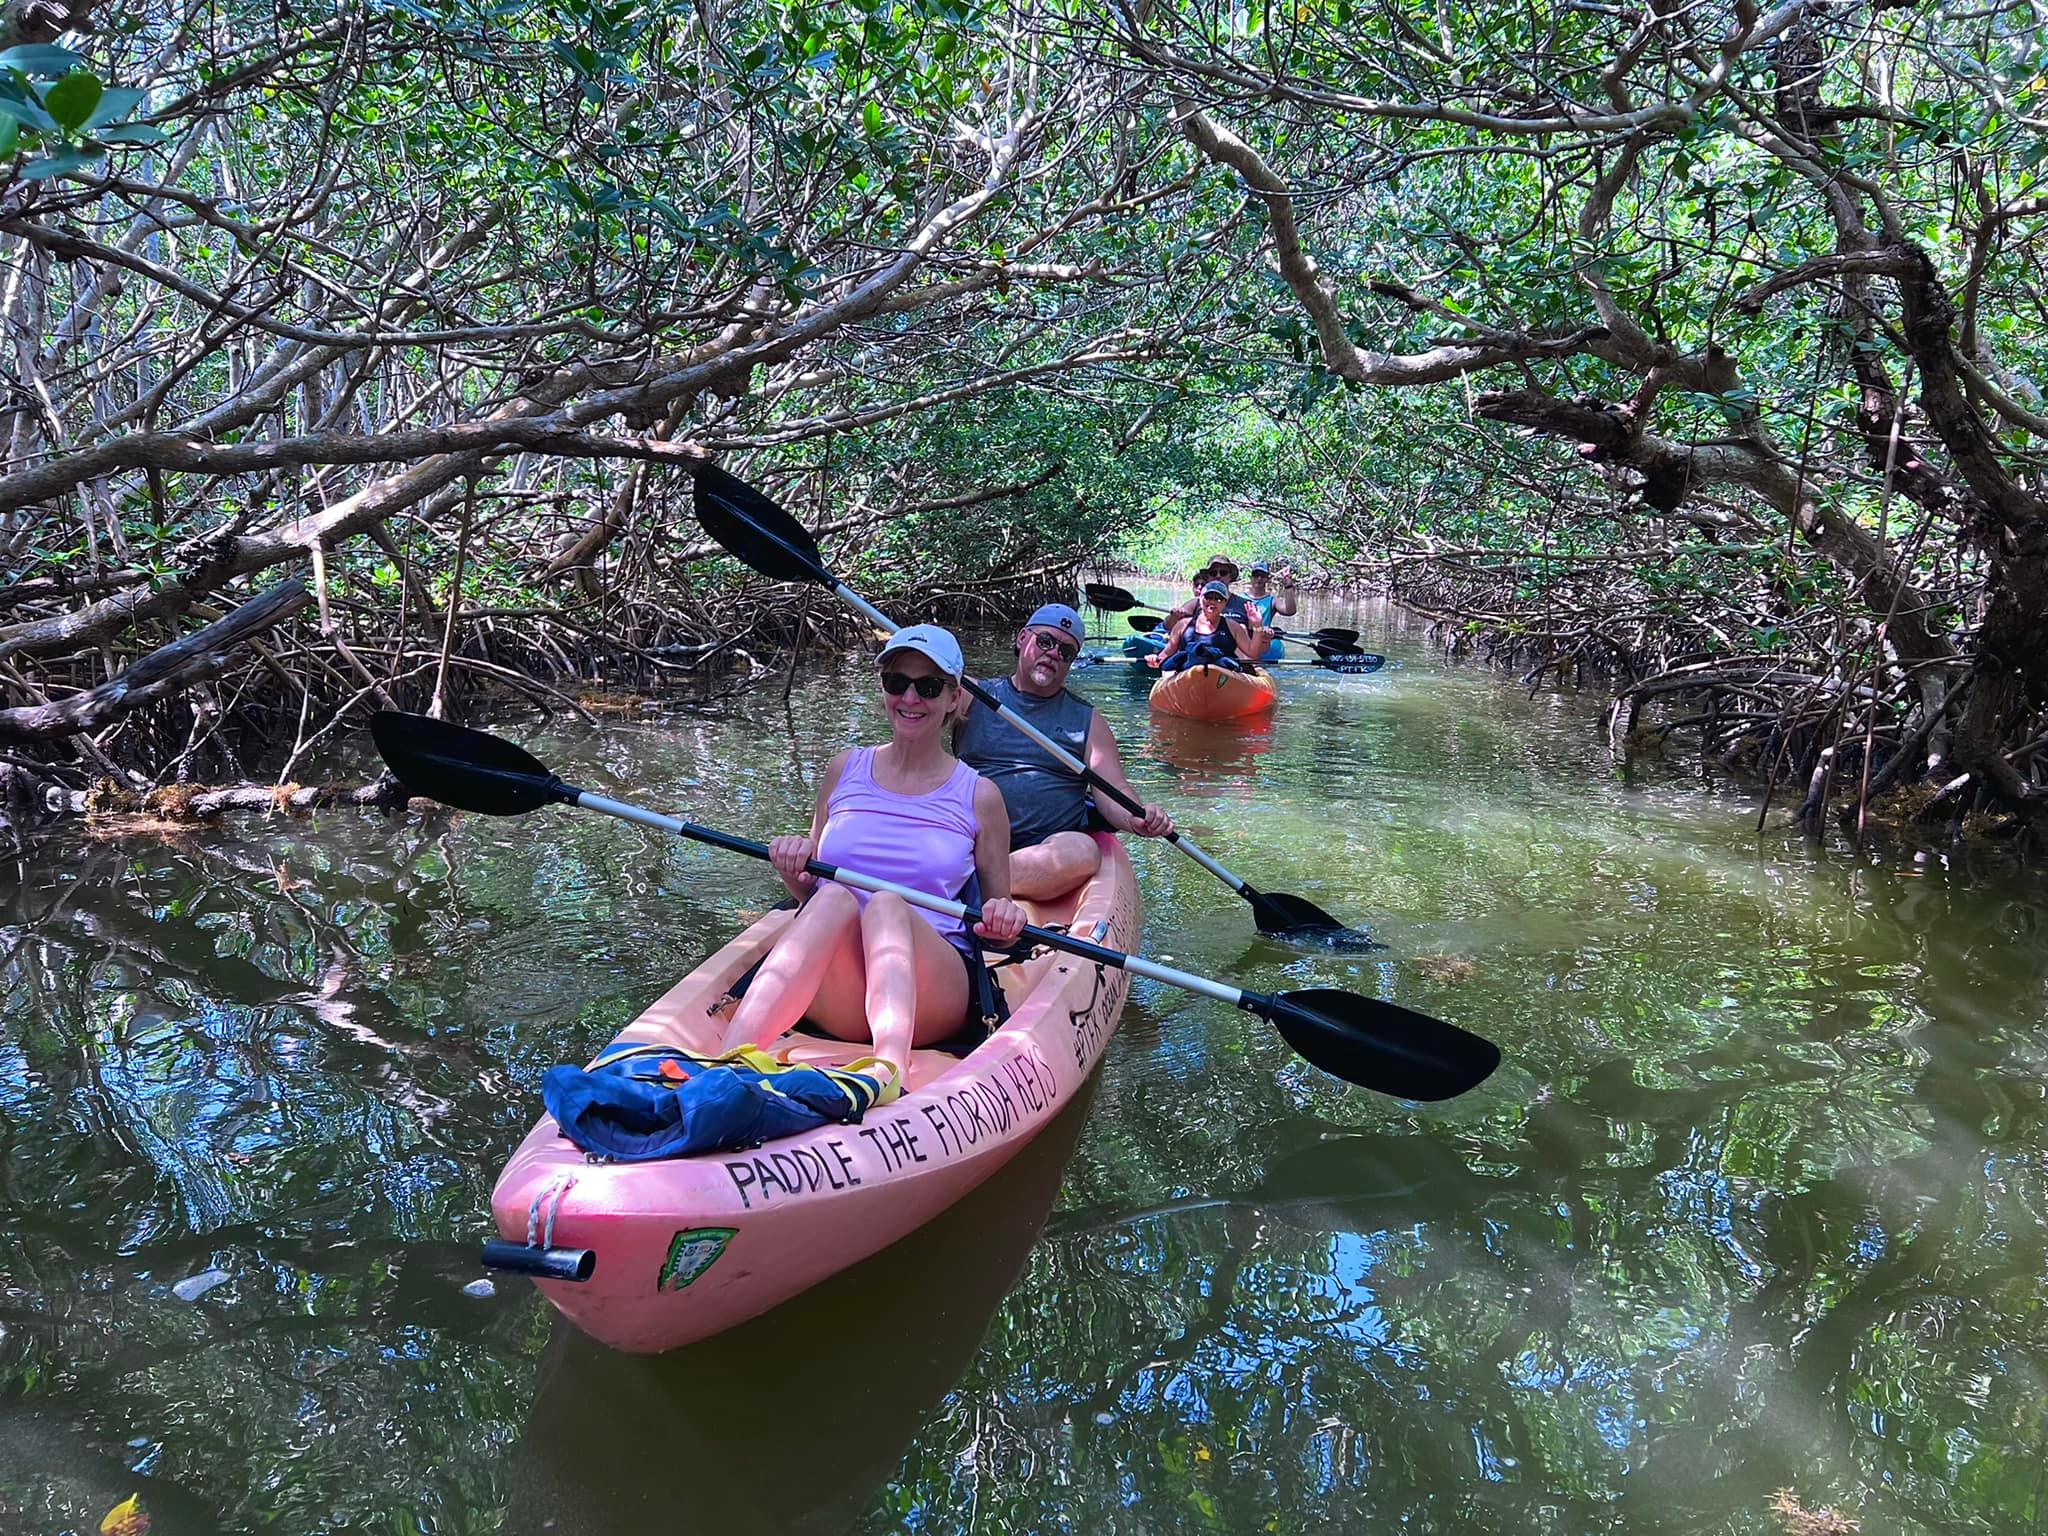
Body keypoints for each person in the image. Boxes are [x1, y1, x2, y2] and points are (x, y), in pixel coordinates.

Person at [718, 625, 1027, 1091]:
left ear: (953, 698)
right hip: (841, 989)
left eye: (928, 687)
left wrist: (1003, 920)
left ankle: (887, 1073)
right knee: (833, 898)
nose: (910, 698)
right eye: (896, 682)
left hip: (931, 994)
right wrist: (792, 867)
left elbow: (997, 930)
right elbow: (810, 887)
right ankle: (728, 1063)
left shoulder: (980, 796)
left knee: (885, 905)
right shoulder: (844, 768)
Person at [955, 603, 1174, 900]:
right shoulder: (971, 695)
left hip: (1044, 848)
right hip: (968, 838)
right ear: (1022, 639)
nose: (1053, 653)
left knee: (1083, 851)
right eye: (1045, 641)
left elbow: (1113, 789)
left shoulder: (1088, 721)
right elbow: (915, 702)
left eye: (1066, 651)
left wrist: (1136, 817)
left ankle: (966, 883)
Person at [1150, 580, 1258, 673]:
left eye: (1218, 599)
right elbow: (1168, 652)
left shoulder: (1233, 627)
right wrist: (1155, 659)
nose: (1212, 602)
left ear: (1225, 604)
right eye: (1208, 597)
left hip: (1223, 675)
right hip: (1188, 673)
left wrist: (1258, 625)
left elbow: (1252, 652)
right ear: (1201, 599)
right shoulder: (1182, 625)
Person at [1244, 559, 1298, 662]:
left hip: (1264, 640)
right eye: (1256, 575)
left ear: (1267, 579)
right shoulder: (1240, 598)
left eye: (1262, 576)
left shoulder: (1271, 601)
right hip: (1245, 639)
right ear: (1250, 577)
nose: (1259, 579)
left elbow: (1290, 611)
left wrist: (1288, 585)